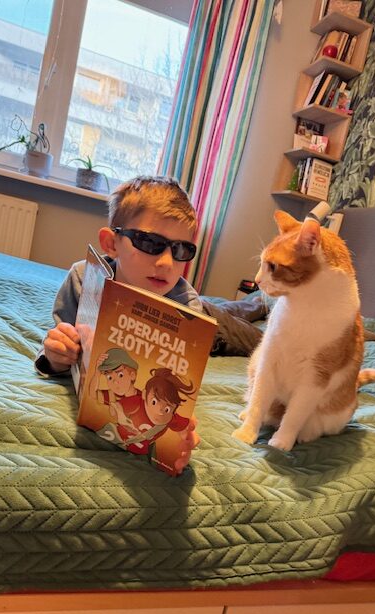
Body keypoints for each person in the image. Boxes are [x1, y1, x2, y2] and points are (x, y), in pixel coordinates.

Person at [35, 175, 265, 472]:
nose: (167, 263)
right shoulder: (83, 277)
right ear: (111, 243)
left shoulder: (188, 305)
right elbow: (59, 344)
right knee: (232, 310)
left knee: (259, 341)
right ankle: (252, 305)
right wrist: (56, 355)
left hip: (209, 322)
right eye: (150, 243)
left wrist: (177, 433)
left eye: (181, 250)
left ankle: (259, 304)